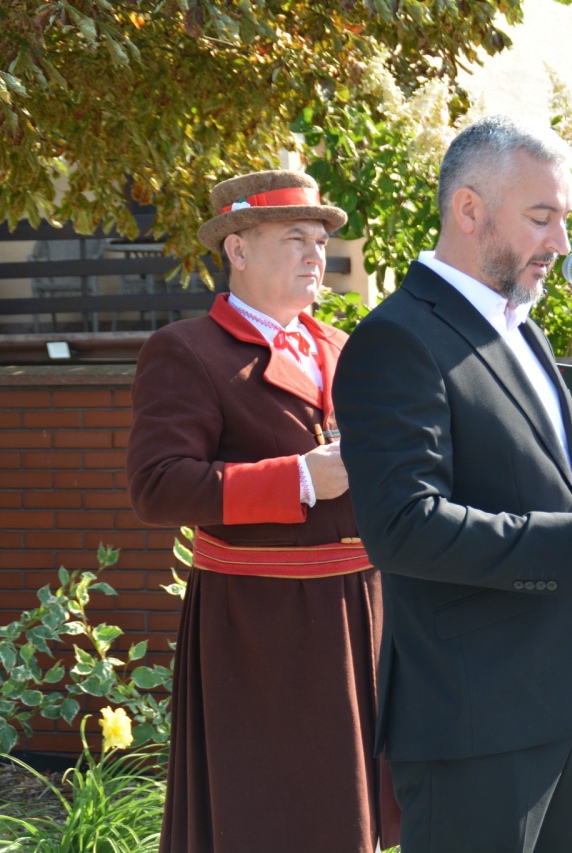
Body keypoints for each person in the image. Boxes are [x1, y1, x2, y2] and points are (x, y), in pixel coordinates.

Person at [332, 114, 572, 853]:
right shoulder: (397, 339)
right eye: (542, 218)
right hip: (471, 729)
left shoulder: (525, 330)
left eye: (564, 219)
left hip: (562, 721)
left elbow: (539, 501)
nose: (562, 244)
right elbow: (404, 524)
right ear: (468, 209)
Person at [126, 170, 398, 853]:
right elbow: (157, 486)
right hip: (257, 624)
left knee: (352, 822)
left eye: (321, 240)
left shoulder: (343, 347)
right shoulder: (185, 350)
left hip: (360, 610)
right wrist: (299, 480)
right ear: (237, 250)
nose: (316, 254)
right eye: (295, 238)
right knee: (269, 820)